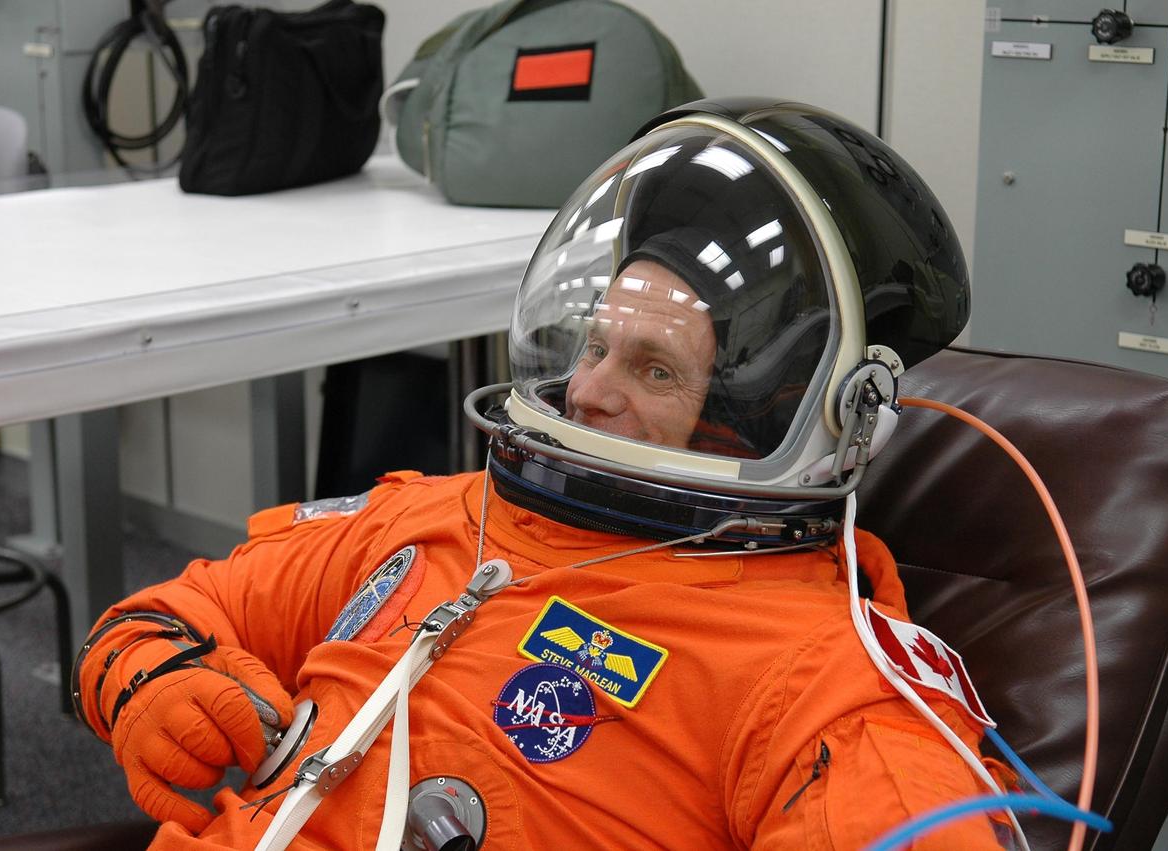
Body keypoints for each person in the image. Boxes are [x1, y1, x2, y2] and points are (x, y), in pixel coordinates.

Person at [72, 99, 1014, 850]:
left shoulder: (810, 669)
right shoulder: (430, 517)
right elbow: (155, 620)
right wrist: (153, 685)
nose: (590, 391)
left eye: (655, 369)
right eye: (595, 344)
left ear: (763, 420)